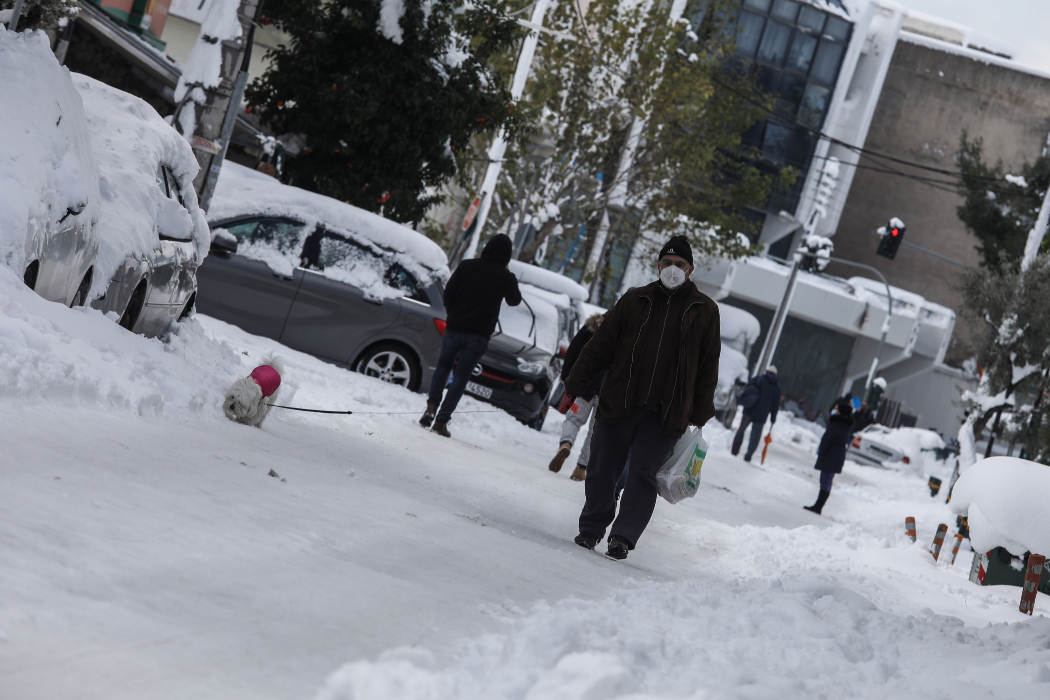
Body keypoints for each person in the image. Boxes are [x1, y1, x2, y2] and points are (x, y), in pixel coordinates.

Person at [560, 235, 720, 561]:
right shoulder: (635, 300)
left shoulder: (705, 311)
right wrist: (575, 382)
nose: (672, 269)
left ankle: (622, 537)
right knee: (603, 469)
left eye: (679, 265)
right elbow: (600, 346)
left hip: (665, 415)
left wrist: (700, 412)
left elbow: (708, 366)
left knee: (643, 476)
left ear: (690, 269)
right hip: (619, 402)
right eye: (667, 263)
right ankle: (591, 529)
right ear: (658, 264)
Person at [420, 234, 521, 437]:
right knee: (460, 377)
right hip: (478, 336)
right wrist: (507, 273)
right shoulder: (505, 277)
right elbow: (514, 301)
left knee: (443, 366)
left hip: (455, 327)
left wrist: (454, 313)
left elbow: (448, 293)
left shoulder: (466, 266)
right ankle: (441, 421)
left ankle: (431, 406)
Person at [548, 313, 605, 481]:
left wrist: (567, 376)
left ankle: (566, 443)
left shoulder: (595, 324)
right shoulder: (632, 332)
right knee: (596, 431)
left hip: (585, 385)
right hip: (609, 391)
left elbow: (574, 348)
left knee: (573, 419)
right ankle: (581, 468)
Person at [804, 399, 855, 515]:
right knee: (827, 480)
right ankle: (818, 505)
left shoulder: (837, 424)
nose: (834, 411)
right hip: (837, 454)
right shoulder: (846, 424)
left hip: (831, 454)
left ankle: (818, 506)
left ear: (840, 412)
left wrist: (821, 451)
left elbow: (827, 439)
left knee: (825, 480)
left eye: (836, 409)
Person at [731, 366, 781, 462]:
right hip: (761, 415)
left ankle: (735, 450)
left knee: (741, 430)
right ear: (775, 375)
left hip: (749, 409)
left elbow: (747, 390)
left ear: (766, 372)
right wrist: (773, 419)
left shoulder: (758, 379)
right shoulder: (776, 389)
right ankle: (748, 456)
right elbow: (775, 405)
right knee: (755, 437)